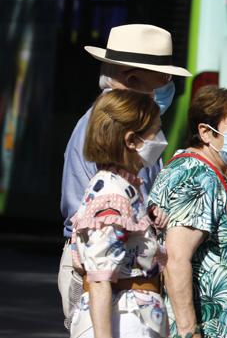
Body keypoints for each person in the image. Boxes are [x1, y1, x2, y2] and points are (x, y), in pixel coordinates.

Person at [59, 24, 192, 328]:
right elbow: (101, 253)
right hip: (112, 280)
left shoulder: (132, 131)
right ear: (132, 80)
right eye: (163, 80)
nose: (167, 87)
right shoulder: (107, 130)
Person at [148, 86, 227, 338]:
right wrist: (190, 332)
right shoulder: (197, 177)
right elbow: (176, 259)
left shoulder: (205, 171)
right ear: (206, 132)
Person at [68, 89, 169, 338]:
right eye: (155, 131)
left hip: (134, 318)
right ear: (131, 140)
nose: (161, 139)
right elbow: (101, 278)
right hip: (124, 321)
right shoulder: (111, 194)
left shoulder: (124, 187)